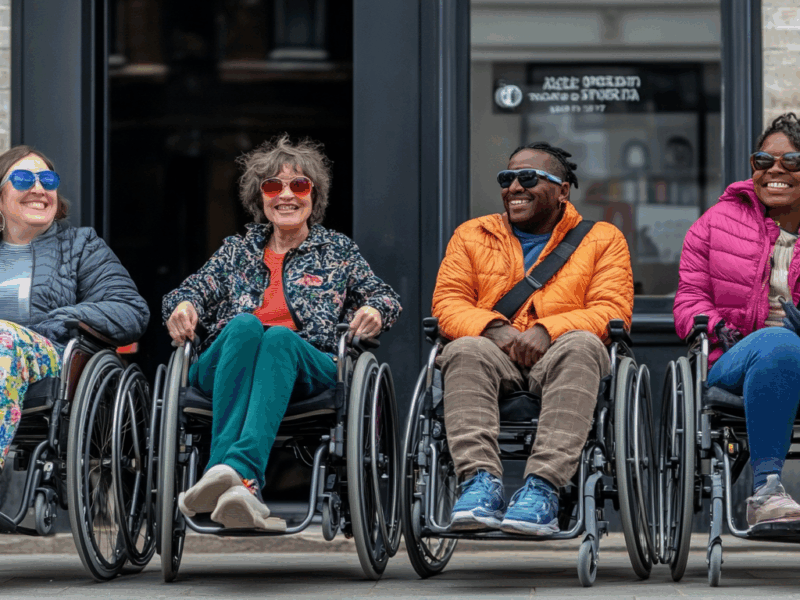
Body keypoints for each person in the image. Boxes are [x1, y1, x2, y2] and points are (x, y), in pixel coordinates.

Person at [164, 134, 402, 531]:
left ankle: (230, 471)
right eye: (273, 186)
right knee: (245, 325)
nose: (286, 195)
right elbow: (187, 291)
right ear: (261, 199)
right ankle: (240, 481)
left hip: (306, 368)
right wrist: (183, 307)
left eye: (299, 185)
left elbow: (384, 295)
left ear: (314, 195)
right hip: (228, 364)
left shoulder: (337, 250)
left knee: (277, 338)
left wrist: (374, 309)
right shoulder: (236, 250)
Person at [432, 142, 633, 535]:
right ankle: (479, 484)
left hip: (561, 355)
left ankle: (543, 487)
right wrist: (494, 328)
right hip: (494, 355)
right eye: (507, 179)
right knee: (463, 349)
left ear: (563, 190)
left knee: (584, 344)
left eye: (529, 178)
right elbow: (447, 303)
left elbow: (612, 309)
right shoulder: (471, 234)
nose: (515, 188)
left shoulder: (603, 238)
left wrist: (547, 330)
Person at [674, 112, 800, 528]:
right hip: (734, 356)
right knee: (779, 345)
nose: (775, 171)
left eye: (792, 162)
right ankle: (766, 489)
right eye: (764, 160)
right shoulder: (715, 224)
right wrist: (714, 326)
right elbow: (689, 298)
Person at [0, 145, 149, 469]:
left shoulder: (81, 246)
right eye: (24, 178)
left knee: (3, 338)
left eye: (48, 180)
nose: (39, 188)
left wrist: (65, 318)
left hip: (54, 361)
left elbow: (129, 309)